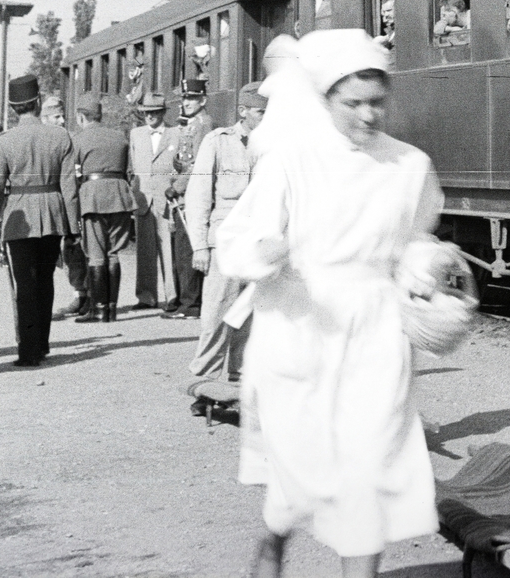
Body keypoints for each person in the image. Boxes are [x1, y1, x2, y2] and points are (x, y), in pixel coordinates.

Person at [215, 29, 444, 578]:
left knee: (368, 468)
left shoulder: (410, 165)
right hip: (298, 322)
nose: (368, 116)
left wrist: (430, 272)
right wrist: (263, 253)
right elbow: (237, 240)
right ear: (325, 101)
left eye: (377, 103)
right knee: (303, 471)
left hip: (375, 330)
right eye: (353, 103)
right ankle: (273, 536)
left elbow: (416, 241)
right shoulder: (292, 160)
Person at [0, 75, 80, 366]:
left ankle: (28, 350)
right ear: (37, 103)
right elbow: (70, 189)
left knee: (24, 284)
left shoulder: (3, 142)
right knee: (46, 280)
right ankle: (43, 343)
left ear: (13, 108)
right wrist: (73, 228)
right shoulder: (61, 136)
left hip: (18, 217)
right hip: (52, 213)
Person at [186, 81, 267, 381]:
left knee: (252, 315)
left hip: (259, 241)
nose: (266, 118)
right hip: (224, 243)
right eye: (261, 112)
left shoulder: (275, 145)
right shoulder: (217, 142)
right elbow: (198, 197)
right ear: (243, 111)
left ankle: (240, 381)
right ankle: (203, 381)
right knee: (217, 314)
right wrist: (199, 246)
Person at [68, 94, 138, 323]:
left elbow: (71, 172)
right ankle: (111, 309)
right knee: (113, 252)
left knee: (96, 253)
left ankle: (98, 310)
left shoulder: (79, 139)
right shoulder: (120, 136)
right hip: (120, 195)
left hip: (93, 197)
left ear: (81, 117)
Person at [164, 78, 213, 319]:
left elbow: (198, 164)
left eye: (192, 98)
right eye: (184, 98)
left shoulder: (203, 124)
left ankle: (191, 304)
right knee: (181, 248)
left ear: (203, 99)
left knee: (187, 248)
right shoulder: (191, 124)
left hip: (191, 193)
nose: (187, 102)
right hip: (183, 192)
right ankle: (186, 300)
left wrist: (179, 187)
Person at [42, 95, 91, 320]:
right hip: (48, 206)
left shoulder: (71, 138)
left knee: (74, 252)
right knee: (49, 258)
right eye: (56, 116)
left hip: (71, 202)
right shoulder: (39, 139)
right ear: (44, 118)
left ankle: (81, 294)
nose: (62, 120)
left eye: (63, 115)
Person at [129, 92, 179, 311]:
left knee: (168, 249)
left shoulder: (175, 134)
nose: (150, 116)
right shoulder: (136, 134)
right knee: (145, 251)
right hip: (143, 199)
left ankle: (172, 297)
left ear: (163, 112)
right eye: (146, 113)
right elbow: (132, 167)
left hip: (165, 199)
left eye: (155, 112)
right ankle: (146, 297)